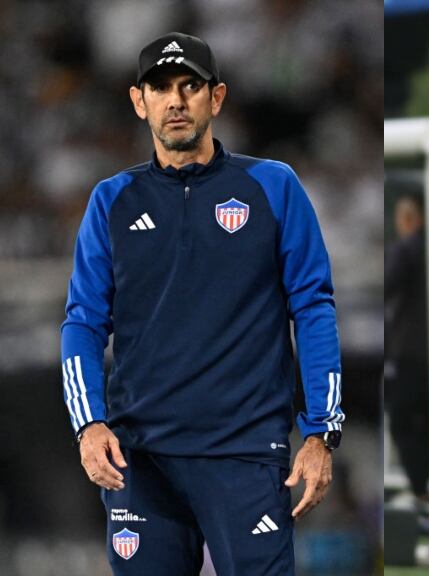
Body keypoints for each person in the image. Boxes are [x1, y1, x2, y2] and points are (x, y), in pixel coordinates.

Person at [60, 32, 344, 575]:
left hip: (244, 455)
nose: (176, 100)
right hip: (139, 460)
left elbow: (313, 308)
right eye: (160, 87)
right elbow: (83, 322)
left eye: (191, 86)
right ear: (138, 101)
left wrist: (321, 431)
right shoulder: (111, 200)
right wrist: (88, 423)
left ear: (216, 98)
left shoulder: (273, 186)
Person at [385, 193, 429, 501]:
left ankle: (420, 487)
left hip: (409, 351)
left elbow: (387, 284)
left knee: (401, 418)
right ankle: (424, 483)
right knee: (426, 420)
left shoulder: (407, 249)